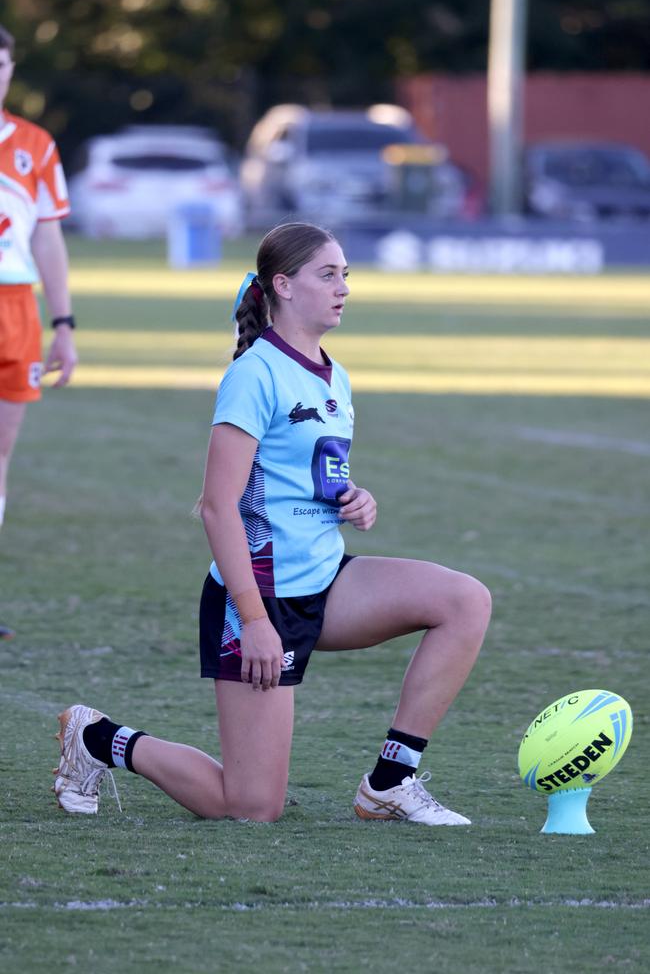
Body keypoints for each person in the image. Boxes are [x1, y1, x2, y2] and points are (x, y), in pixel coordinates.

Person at [53, 222, 491, 825]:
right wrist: (256, 620)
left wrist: (355, 498)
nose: (343, 288)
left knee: (464, 601)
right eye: (328, 275)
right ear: (282, 285)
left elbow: (317, 478)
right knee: (252, 807)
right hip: (257, 599)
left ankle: (390, 782)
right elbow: (217, 504)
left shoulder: (335, 376)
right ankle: (99, 739)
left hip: (325, 580)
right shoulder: (254, 374)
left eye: (346, 275)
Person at [0, 25, 77, 639]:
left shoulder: (34, 145)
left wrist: (64, 323)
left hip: (17, 309)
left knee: (0, 454)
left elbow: (48, 237)